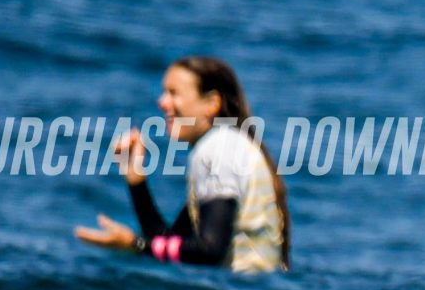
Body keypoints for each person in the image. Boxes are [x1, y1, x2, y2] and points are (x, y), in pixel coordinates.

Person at [76, 57, 289, 272]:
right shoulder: (229, 145)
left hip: (241, 289)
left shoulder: (218, 148)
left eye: (173, 93)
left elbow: (210, 250)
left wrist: (136, 244)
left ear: (211, 104)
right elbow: (170, 242)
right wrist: (135, 178)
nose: (162, 102)